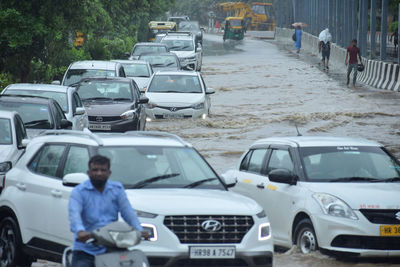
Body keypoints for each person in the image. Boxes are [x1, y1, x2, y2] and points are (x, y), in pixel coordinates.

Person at [68, 155, 145, 267]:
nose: (99, 173)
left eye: (103, 170)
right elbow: (74, 214)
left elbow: (128, 212)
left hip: (113, 244)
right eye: (95, 170)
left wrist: (139, 229)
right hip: (86, 248)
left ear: (109, 172)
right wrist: (80, 231)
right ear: (88, 172)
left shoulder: (117, 189)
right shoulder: (79, 192)